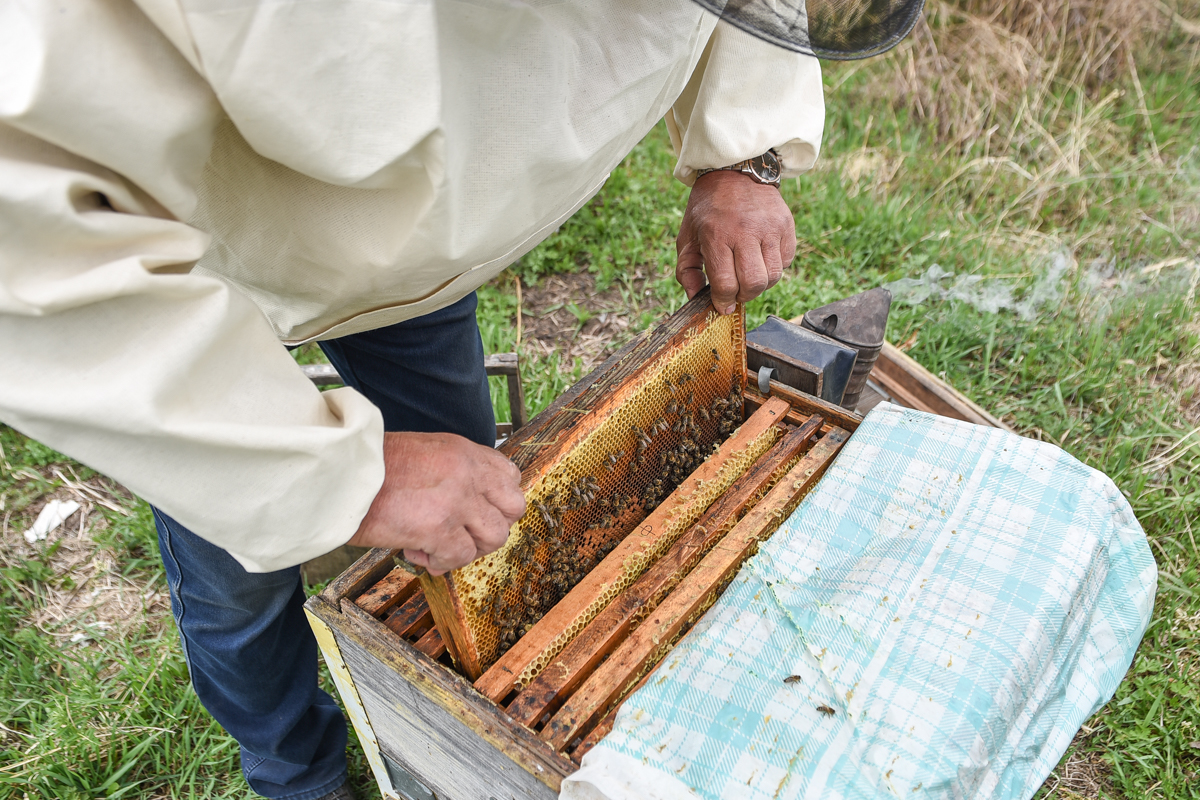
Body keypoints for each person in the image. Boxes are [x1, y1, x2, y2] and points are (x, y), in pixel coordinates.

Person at [0, 0, 920, 797]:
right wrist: (333, 478)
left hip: (424, 274)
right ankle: (297, 771)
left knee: (480, 524)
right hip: (211, 283)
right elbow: (25, 230)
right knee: (236, 574)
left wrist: (744, 155)